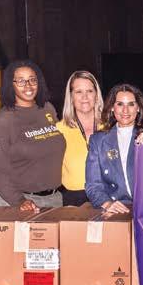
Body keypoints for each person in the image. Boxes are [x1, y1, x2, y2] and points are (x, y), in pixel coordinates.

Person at [0, 60, 67, 212]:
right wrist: (19, 201)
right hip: (18, 202)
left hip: (54, 199)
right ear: (11, 85)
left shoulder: (47, 109)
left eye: (32, 80)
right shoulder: (3, 120)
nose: (28, 86)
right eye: (21, 81)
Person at [85, 83, 143, 214]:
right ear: (112, 107)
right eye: (120, 104)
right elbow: (93, 185)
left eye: (131, 104)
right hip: (118, 209)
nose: (125, 110)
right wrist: (107, 203)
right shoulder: (97, 141)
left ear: (138, 108)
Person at [55, 70, 104, 206]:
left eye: (89, 91)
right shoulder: (59, 129)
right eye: (78, 92)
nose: (85, 97)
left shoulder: (110, 127)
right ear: (71, 96)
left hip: (108, 196)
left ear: (96, 95)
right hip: (73, 200)